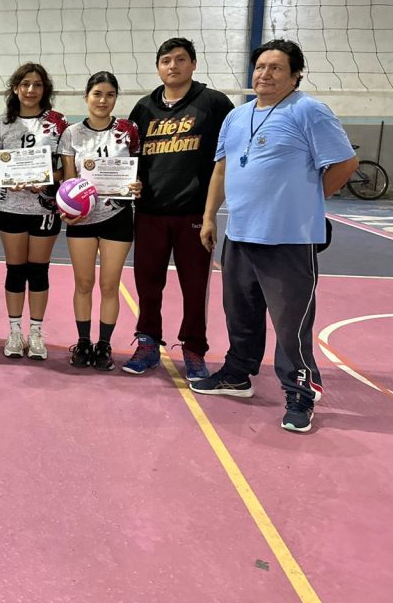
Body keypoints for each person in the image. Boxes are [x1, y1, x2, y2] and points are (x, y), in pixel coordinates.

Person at [193, 39, 357, 433]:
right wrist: (210, 216)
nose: (265, 74)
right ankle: (237, 373)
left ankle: (301, 391)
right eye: (260, 66)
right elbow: (222, 169)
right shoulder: (237, 116)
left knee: (289, 322)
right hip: (242, 233)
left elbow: (346, 162)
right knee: (240, 312)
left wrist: (308, 203)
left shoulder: (309, 111)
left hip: (289, 238)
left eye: (276, 68)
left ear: (295, 74)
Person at [125, 37, 234, 381]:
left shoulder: (214, 104)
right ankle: (147, 342)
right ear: (158, 67)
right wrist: (133, 183)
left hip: (193, 215)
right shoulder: (143, 108)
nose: (173, 66)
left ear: (194, 64)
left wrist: (210, 213)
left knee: (194, 284)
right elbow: (129, 158)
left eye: (181, 59)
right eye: (166, 60)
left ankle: (194, 349)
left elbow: (227, 157)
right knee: (147, 283)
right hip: (150, 213)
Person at [57, 71, 141, 371]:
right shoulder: (71, 133)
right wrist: (67, 205)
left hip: (117, 216)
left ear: (116, 98)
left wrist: (137, 184)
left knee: (109, 285)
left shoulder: (128, 130)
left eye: (109, 94)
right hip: (82, 219)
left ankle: (104, 345)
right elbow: (68, 179)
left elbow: (136, 171)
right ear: (86, 97)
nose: (103, 100)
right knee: (83, 283)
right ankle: (83, 342)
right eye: (97, 94)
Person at [0, 62, 68, 360]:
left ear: (44, 89)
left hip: (44, 208)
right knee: (15, 270)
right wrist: (11, 180)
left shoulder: (58, 124)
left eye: (37, 84)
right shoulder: (2, 124)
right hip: (10, 207)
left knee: (38, 271)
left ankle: (35, 333)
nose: (31, 90)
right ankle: (14, 332)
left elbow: (65, 170)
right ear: (15, 88)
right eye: (25, 84)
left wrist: (48, 179)